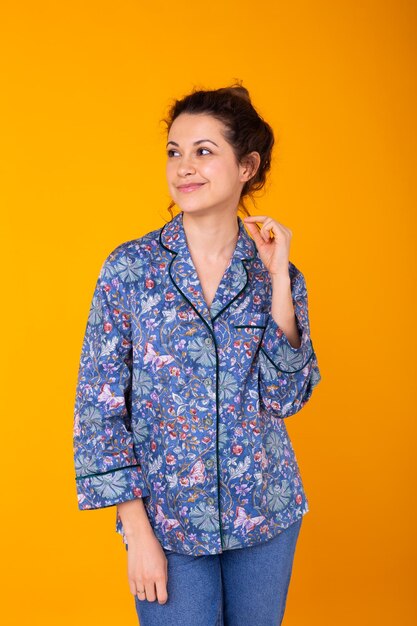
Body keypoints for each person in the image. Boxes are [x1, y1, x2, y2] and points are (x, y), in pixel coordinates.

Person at [72, 83, 322, 626]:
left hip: (265, 514)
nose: (183, 166)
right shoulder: (129, 271)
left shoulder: (275, 276)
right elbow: (98, 409)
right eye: (174, 151)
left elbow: (285, 398)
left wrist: (279, 280)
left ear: (247, 166)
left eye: (203, 151)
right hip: (168, 522)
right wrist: (136, 531)